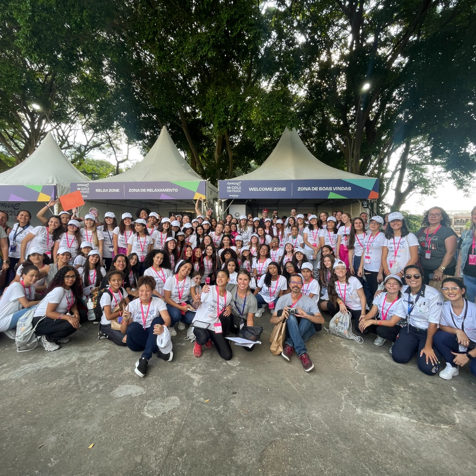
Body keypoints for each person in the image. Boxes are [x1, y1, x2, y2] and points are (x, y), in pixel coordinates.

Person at [391, 265, 443, 375]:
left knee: (428, 369)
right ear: (404, 278)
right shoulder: (403, 290)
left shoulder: (434, 295)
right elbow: (389, 285)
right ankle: (415, 347)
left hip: (428, 332)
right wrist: (380, 289)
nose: (412, 279)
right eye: (408, 276)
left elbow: (433, 323)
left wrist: (428, 346)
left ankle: (428, 347)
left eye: (416, 276)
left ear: (422, 276)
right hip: (411, 329)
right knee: (399, 357)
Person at [120, 276, 173, 378]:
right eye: (141, 290)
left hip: (152, 334)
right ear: (138, 290)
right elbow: (123, 331)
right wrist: (126, 320)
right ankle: (156, 351)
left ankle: (144, 359)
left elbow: (167, 319)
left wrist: (164, 327)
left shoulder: (158, 302)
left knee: (158, 321)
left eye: (148, 291)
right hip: (136, 343)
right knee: (133, 326)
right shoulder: (131, 305)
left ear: (153, 291)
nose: (144, 293)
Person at [271, 273, 324, 372]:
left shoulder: (309, 301)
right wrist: (281, 316)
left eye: (298, 282)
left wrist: (306, 315)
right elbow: (272, 320)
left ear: (302, 285)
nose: (296, 284)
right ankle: (302, 352)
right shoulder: (282, 299)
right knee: (290, 316)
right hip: (289, 330)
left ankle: (290, 344)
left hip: (307, 328)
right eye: (293, 282)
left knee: (308, 314)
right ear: (289, 284)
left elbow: (321, 320)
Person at [433, 277, 476, 380]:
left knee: (474, 369)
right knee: (439, 336)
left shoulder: (474, 310)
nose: (450, 291)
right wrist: (457, 331)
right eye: (446, 289)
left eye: (454, 288)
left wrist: (468, 356)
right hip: (462, 343)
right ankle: (452, 365)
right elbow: (442, 326)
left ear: (463, 290)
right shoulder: (444, 307)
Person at [33, 266, 82, 351]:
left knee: (77, 320)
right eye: (67, 276)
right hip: (42, 321)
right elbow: (49, 313)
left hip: (53, 319)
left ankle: (57, 336)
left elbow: (72, 302)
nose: (71, 279)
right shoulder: (59, 290)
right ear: (61, 277)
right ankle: (47, 339)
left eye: (73, 276)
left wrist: (76, 312)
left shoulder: (70, 289)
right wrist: (69, 318)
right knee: (71, 325)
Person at [192, 269, 233, 360]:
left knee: (227, 355)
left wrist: (229, 307)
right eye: (218, 276)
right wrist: (195, 301)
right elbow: (196, 306)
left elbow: (223, 306)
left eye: (223, 276)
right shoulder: (208, 289)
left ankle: (210, 338)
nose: (220, 278)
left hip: (214, 325)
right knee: (203, 338)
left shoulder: (229, 295)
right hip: (201, 322)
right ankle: (198, 342)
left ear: (228, 279)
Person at [359, 275, 406, 350]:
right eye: (389, 283)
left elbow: (392, 323)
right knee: (362, 326)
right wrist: (364, 319)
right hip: (382, 321)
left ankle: (395, 340)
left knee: (381, 330)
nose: (391, 285)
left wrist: (371, 321)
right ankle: (382, 336)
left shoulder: (402, 302)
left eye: (395, 283)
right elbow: (373, 312)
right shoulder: (380, 295)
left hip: (396, 326)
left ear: (400, 287)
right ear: (385, 285)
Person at [415, 207, 457, 286]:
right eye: (431, 214)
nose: (433, 216)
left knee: (443, 293)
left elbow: (450, 252)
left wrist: (440, 270)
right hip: (424, 269)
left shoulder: (447, 231)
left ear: (442, 217)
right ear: (427, 217)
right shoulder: (421, 231)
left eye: (437, 214)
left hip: (444, 269)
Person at [0, 265, 40, 340]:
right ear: (24, 276)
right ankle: (8, 328)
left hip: (13, 315)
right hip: (2, 320)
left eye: (36, 276)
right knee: (36, 308)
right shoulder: (16, 286)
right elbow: (27, 304)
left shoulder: (31, 287)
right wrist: (42, 301)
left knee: (34, 308)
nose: (34, 278)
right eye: (31, 275)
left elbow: (30, 302)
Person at [328, 260, 367, 335]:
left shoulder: (353, 280)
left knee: (361, 330)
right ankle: (339, 320)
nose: (340, 270)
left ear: (346, 270)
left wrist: (363, 313)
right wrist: (340, 302)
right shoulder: (334, 282)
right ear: (334, 271)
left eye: (343, 268)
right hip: (345, 307)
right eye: (338, 268)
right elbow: (333, 295)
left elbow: (362, 297)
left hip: (357, 308)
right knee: (330, 304)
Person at [163, 260, 198, 333]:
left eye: (189, 269)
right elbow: (167, 298)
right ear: (179, 267)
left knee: (192, 318)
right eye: (185, 267)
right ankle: (171, 325)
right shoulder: (170, 280)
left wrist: (196, 298)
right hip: (172, 303)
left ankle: (181, 320)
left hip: (185, 303)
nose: (186, 270)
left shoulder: (190, 280)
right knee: (176, 315)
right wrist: (181, 308)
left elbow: (193, 294)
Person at [381, 212, 419, 279]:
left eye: (398, 220)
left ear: (402, 222)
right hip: (389, 273)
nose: (395, 223)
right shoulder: (387, 238)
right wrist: (387, 272)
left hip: (405, 274)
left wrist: (402, 273)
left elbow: (414, 258)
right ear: (389, 223)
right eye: (392, 221)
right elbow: (384, 258)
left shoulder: (410, 236)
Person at [98, 270, 130, 346]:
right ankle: (104, 332)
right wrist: (122, 312)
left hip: (119, 320)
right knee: (125, 341)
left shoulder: (122, 290)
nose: (117, 282)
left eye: (119, 279)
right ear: (109, 282)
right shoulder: (107, 295)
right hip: (108, 324)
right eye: (113, 280)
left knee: (133, 333)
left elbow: (129, 304)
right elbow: (108, 317)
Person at [358, 215, 385, 304]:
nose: (373, 225)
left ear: (380, 226)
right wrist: (360, 267)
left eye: (376, 223)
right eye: (372, 222)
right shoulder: (368, 236)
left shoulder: (382, 236)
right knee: (368, 291)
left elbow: (384, 255)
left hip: (376, 269)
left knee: (376, 292)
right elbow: (364, 252)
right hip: (367, 267)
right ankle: (371, 310)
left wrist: (380, 272)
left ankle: (377, 313)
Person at [456, 206, 476, 303]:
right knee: (470, 304)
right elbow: (460, 255)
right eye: (475, 213)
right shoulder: (466, 234)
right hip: (468, 276)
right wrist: (458, 274)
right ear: (472, 216)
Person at [7, 210, 33, 284]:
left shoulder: (31, 229)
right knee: (7, 276)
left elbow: (29, 245)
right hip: (10, 255)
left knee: (16, 278)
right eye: (21, 215)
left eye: (26, 216)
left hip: (21, 257)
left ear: (29, 218)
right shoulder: (15, 225)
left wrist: (22, 258)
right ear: (17, 217)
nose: (23, 217)